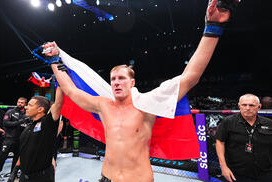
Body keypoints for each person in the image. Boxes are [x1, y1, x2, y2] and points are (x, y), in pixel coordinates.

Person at [43, 0, 240, 181]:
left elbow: (191, 77)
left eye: (121, 78)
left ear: (132, 83)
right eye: (113, 79)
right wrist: (54, 59)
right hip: (106, 177)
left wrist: (213, 28)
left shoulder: (147, 105)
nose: (116, 83)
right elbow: (70, 90)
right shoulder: (103, 105)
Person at [215, 94, 272, 182]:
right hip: (236, 173)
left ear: (259, 107)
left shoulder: (269, 123)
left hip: (265, 172)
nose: (247, 108)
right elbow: (220, 142)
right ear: (239, 106)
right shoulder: (228, 122)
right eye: (244, 105)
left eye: (251, 105)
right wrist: (223, 167)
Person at [18, 88, 64, 182]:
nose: (26, 107)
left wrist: (60, 80)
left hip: (41, 177)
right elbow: (24, 151)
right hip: (24, 176)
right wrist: (15, 170)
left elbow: (58, 103)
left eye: (30, 105)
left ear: (40, 109)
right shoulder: (28, 127)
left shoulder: (47, 123)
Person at [0, 97, 29, 182]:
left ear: (25, 104)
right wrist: (20, 122)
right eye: (18, 102)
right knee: (1, 157)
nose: (20, 104)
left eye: (22, 103)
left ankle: (12, 175)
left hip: (21, 140)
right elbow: (6, 123)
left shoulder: (28, 113)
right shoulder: (10, 112)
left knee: (17, 158)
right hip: (9, 138)